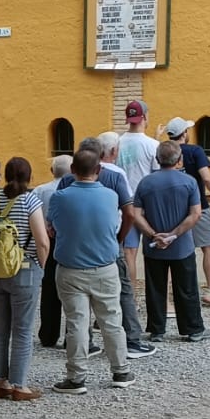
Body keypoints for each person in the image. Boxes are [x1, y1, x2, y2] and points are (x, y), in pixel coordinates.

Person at [45, 147, 133, 395]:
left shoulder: (60, 196)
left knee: (76, 323)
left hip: (70, 267)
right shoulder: (110, 195)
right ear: (99, 170)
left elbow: (53, 228)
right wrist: (118, 239)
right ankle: (120, 371)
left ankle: (76, 377)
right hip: (105, 266)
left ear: (73, 170)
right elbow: (126, 216)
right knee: (112, 320)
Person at [61, 137, 153, 358]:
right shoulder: (115, 177)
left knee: (76, 303)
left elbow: (57, 214)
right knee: (122, 293)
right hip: (108, 242)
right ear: (101, 159)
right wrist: (120, 236)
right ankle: (131, 340)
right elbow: (129, 212)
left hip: (75, 246)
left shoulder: (66, 181)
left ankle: (81, 344)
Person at [0, 156, 53, 400]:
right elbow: (42, 240)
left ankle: (1, 383)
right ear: (29, 177)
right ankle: (20, 386)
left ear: (6, 176)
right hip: (23, 270)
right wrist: (41, 267)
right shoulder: (30, 201)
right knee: (22, 329)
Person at [131, 140, 208, 341]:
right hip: (182, 245)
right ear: (179, 159)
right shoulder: (189, 182)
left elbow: (136, 214)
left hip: (154, 245)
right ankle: (193, 328)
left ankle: (157, 329)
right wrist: (174, 234)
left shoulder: (146, 182)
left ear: (157, 159)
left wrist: (152, 234)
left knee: (155, 287)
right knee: (187, 287)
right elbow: (195, 214)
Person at [166, 116, 210, 308]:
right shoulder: (195, 151)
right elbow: (207, 179)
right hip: (197, 206)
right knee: (208, 247)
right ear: (184, 134)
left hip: (173, 209)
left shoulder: (165, 151)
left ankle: (172, 293)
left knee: (174, 251)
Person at [36, 150, 72, 348]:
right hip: (68, 243)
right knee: (71, 292)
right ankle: (71, 336)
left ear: (52, 170)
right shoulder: (73, 190)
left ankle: (48, 334)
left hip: (47, 243)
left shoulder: (40, 191)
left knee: (49, 290)